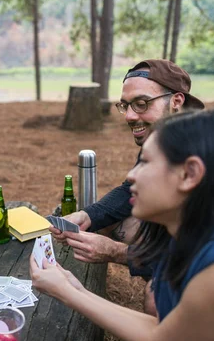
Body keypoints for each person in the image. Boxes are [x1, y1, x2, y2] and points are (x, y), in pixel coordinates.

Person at [32, 108, 214, 341]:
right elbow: (166, 328)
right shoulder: (196, 235)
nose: (131, 175)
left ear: (189, 174)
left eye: (145, 162)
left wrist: (66, 293)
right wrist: (75, 289)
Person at [51, 59, 205, 312]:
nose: (131, 115)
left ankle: (174, 299)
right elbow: (126, 192)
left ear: (176, 101)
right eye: (125, 106)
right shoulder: (164, 134)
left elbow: (200, 255)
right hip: (186, 239)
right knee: (102, 219)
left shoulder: (203, 156)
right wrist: (87, 215)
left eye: (142, 104)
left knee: (156, 300)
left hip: (210, 260)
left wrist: (117, 252)